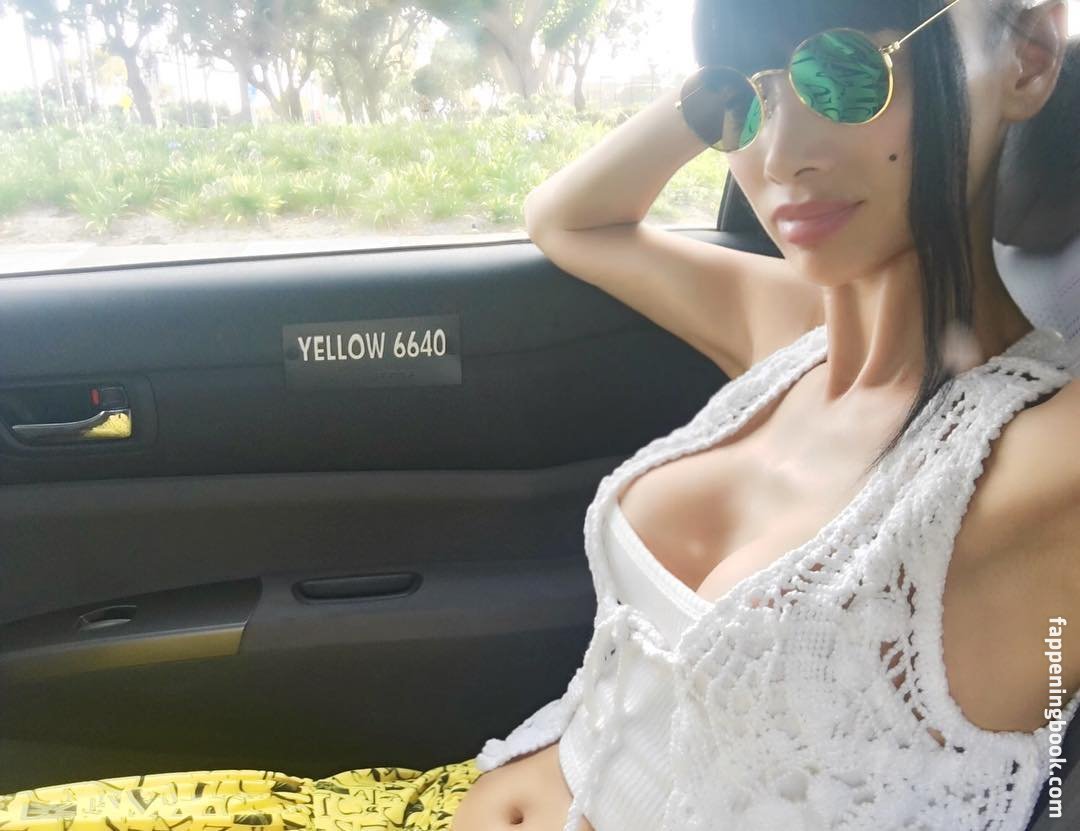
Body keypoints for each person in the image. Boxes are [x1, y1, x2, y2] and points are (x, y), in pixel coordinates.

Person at [1, 3, 1077, 831]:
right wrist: (720, 79)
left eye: (847, 74)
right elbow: (569, 219)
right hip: (479, 783)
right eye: (743, 106)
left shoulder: (1035, 459)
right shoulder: (790, 330)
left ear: (1028, 59)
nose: (778, 153)